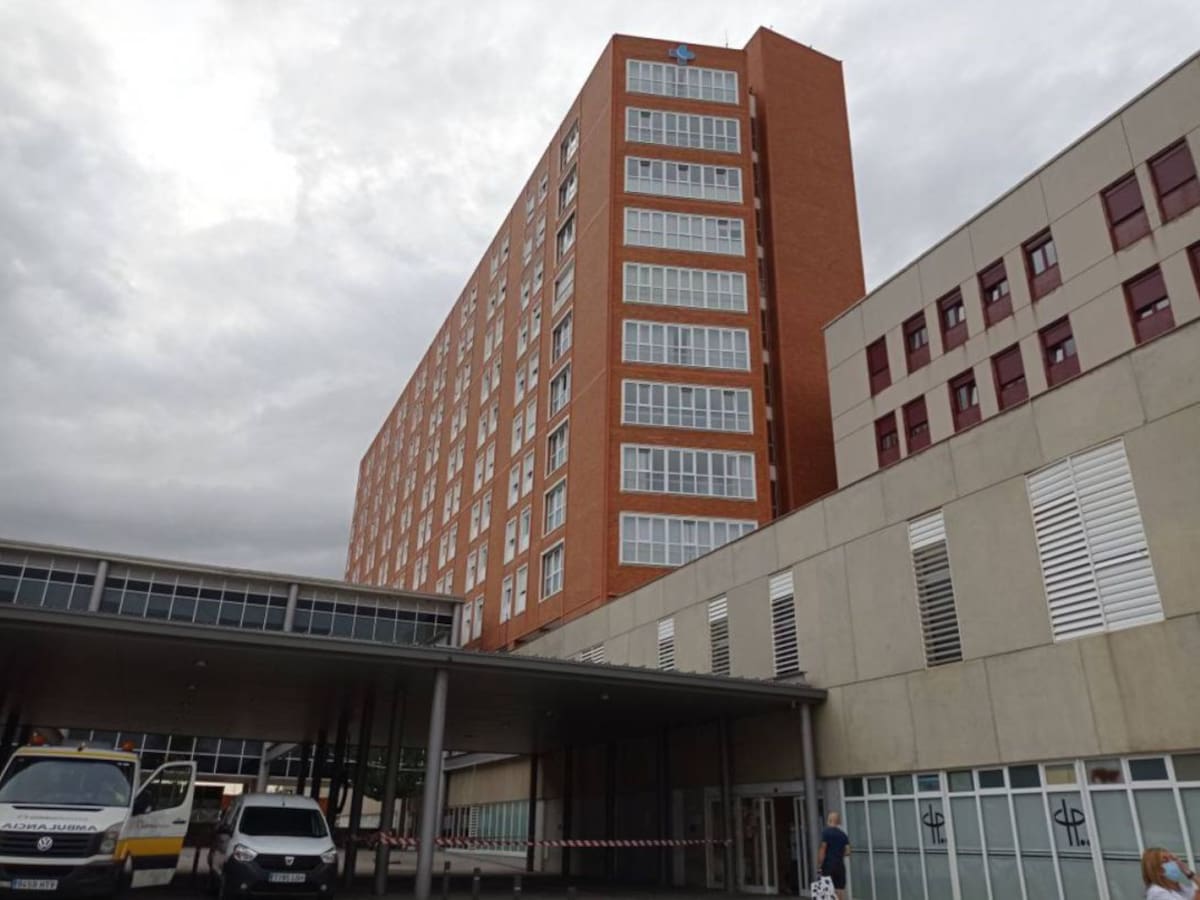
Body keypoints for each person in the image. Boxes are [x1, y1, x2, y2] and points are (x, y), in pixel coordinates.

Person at [817, 811, 851, 900]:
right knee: (839, 889)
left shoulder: (826, 832)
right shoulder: (843, 834)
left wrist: (820, 864)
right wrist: (838, 854)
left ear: (829, 820)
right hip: (840, 865)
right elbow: (848, 851)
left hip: (828, 865)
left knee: (827, 890)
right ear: (838, 822)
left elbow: (823, 849)